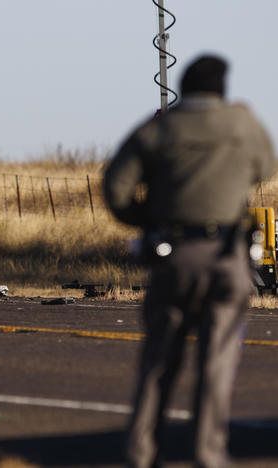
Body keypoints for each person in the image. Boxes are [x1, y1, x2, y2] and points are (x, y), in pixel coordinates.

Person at [104, 55, 275, 468]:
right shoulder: (242, 123)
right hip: (227, 256)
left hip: (174, 255)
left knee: (160, 359)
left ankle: (141, 452)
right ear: (222, 88)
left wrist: (150, 221)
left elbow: (116, 188)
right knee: (217, 361)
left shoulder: (158, 128)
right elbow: (265, 168)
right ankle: (208, 453)